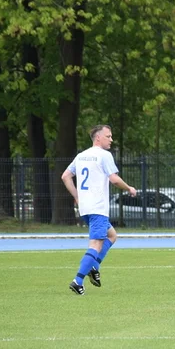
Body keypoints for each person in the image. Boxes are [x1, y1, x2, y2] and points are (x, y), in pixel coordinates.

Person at [61, 124, 136, 295]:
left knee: (112, 235)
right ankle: (77, 281)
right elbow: (114, 179)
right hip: (97, 207)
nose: (111, 139)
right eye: (108, 136)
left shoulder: (81, 156)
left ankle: (93, 267)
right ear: (98, 138)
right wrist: (129, 188)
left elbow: (65, 176)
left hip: (86, 207)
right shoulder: (104, 155)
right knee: (95, 244)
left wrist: (77, 196)